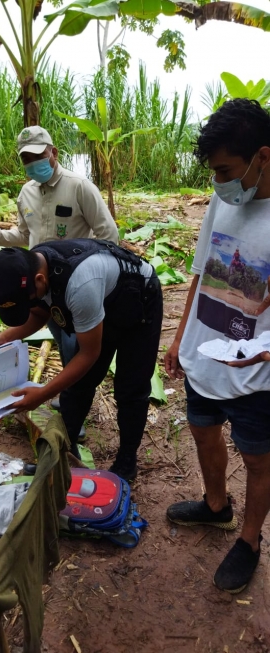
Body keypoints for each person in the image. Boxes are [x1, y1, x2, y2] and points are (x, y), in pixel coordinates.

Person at [164, 99, 270, 594]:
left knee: (258, 459)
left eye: (226, 171)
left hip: (256, 368)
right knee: (204, 433)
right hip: (207, 353)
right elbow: (202, 270)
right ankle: (215, 506)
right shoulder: (223, 200)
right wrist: (182, 337)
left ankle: (249, 540)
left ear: (262, 158)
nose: (219, 183)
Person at [0, 125, 118, 429]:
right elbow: (21, 236)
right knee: (66, 345)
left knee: (82, 348)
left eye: (38, 155)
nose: (32, 162)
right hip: (39, 291)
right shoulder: (26, 193)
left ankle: (74, 413)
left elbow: (108, 235)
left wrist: (97, 281)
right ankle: (70, 400)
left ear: (53, 153)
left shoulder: (79, 187)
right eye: (26, 158)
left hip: (77, 289)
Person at [0, 238, 163, 481]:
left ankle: (126, 462)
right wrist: (5, 337)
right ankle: (60, 456)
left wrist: (43, 394)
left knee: (131, 388)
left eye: (26, 299)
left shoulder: (79, 284)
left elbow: (89, 354)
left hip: (140, 298)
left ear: (40, 280)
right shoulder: (33, 266)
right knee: (78, 386)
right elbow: (39, 313)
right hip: (104, 301)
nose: (29, 304)